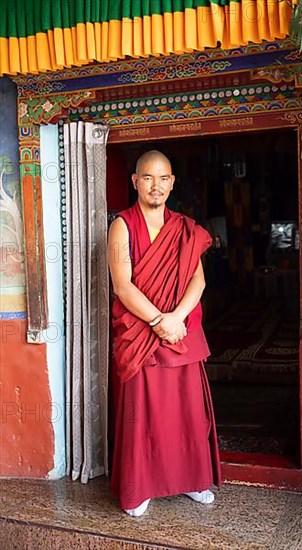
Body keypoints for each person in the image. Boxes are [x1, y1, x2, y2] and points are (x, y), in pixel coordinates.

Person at [108, 150, 221, 517]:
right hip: (142, 336)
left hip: (180, 333)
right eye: (148, 178)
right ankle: (139, 488)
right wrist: (160, 321)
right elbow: (123, 286)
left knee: (187, 413)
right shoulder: (122, 225)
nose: (156, 185)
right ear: (135, 181)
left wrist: (178, 318)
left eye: (163, 178)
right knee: (143, 415)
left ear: (172, 182)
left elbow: (197, 279)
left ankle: (192, 479)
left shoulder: (185, 228)